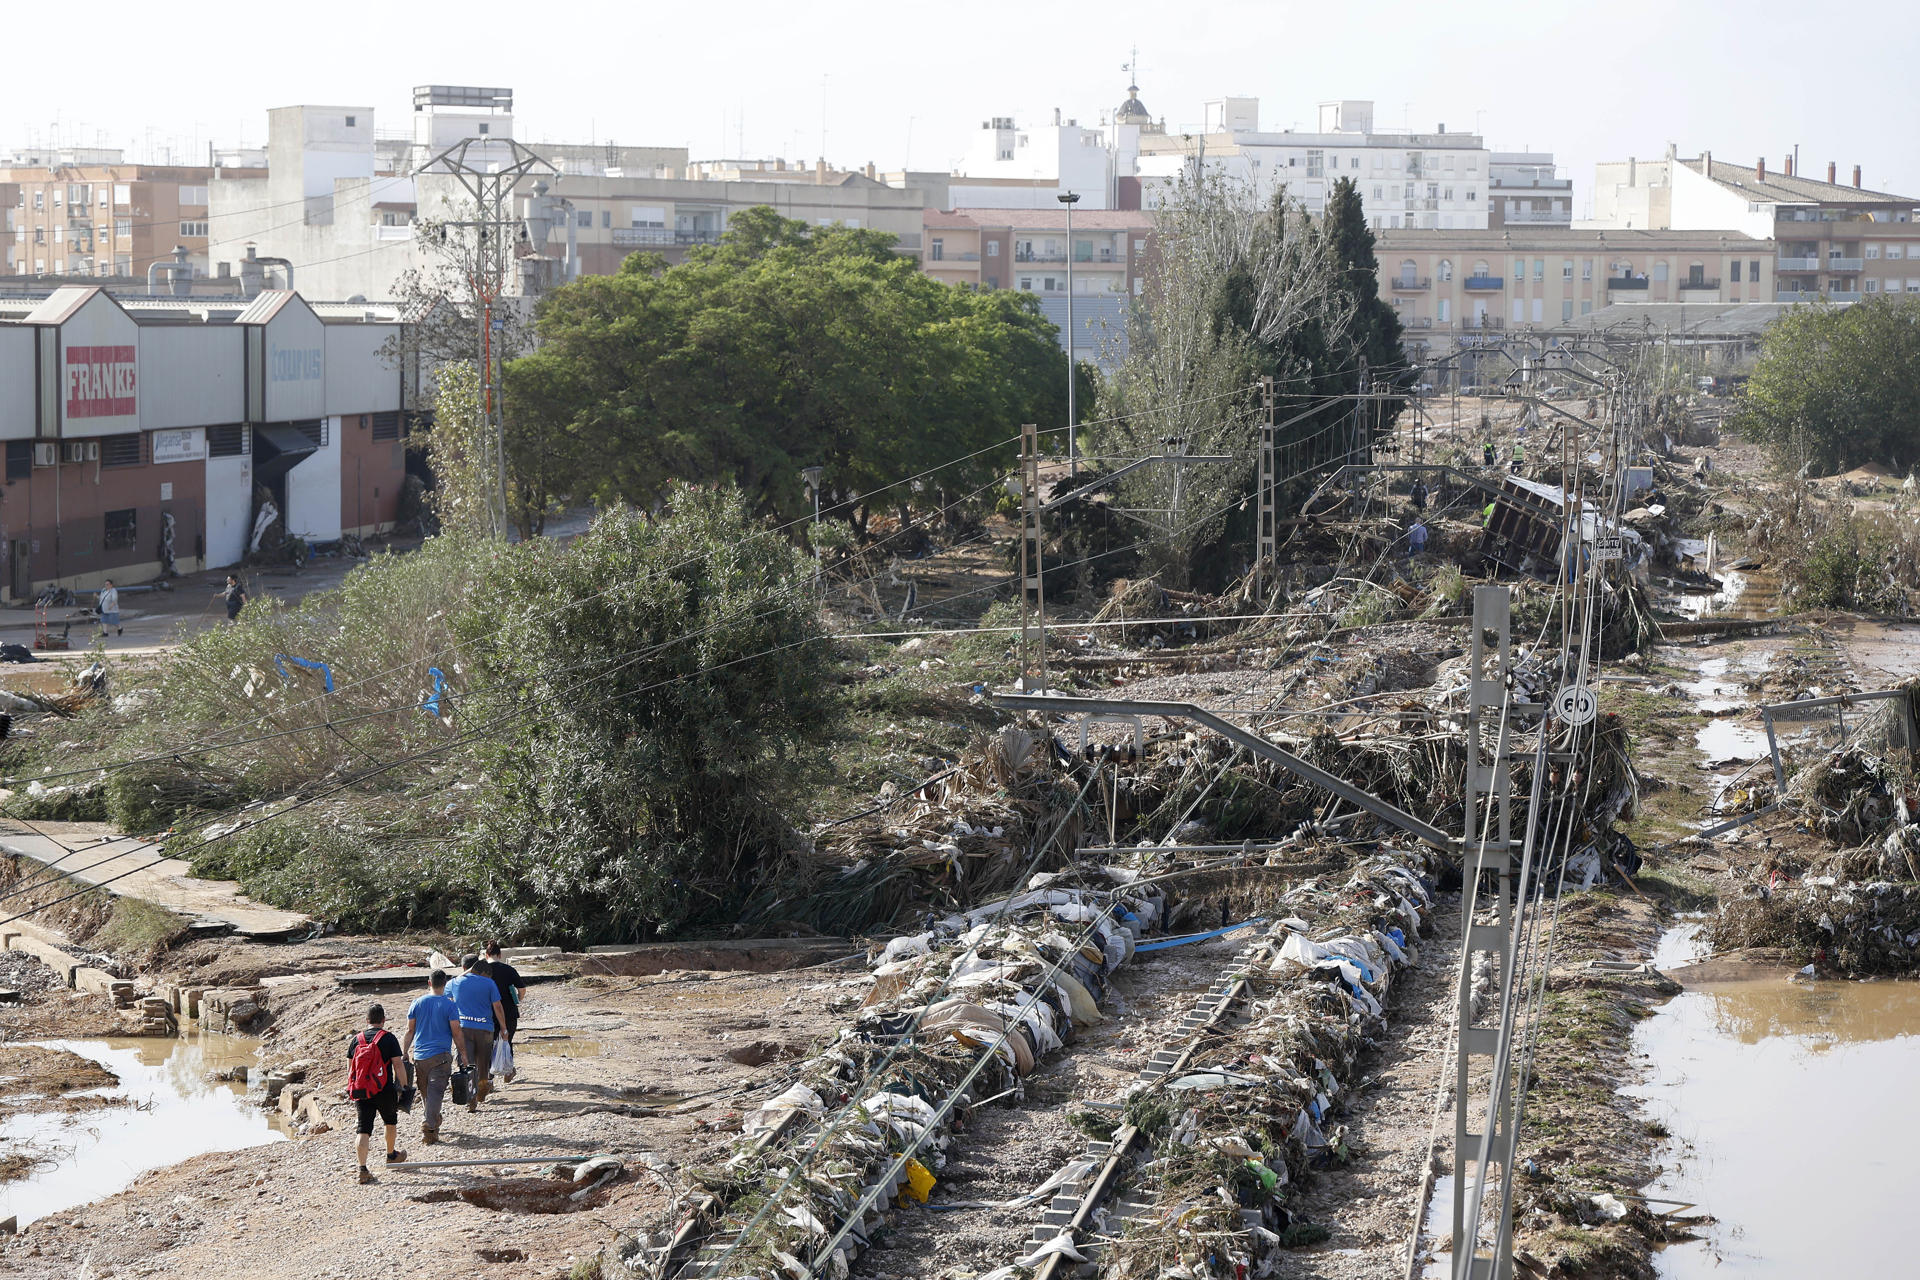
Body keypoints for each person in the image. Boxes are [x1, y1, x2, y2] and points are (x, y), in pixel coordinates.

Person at [403, 970, 467, 1145]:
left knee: (427, 1094)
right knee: (435, 1093)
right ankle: (429, 1125)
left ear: (429, 983)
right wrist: (463, 1053)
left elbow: (410, 1031)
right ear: (445, 984)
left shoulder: (417, 1003)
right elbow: (456, 1031)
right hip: (441, 1056)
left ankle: (433, 1122)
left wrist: (405, 1052)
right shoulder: (449, 1005)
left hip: (420, 1056)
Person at [347, 1003, 409, 1183]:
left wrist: (352, 1089)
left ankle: (362, 1169)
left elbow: (350, 1070)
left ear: (367, 1020)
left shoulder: (356, 1040)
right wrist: (404, 1087)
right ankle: (391, 1155)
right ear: (383, 1020)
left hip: (361, 1091)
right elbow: (398, 1065)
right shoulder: (388, 1038)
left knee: (363, 1129)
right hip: (384, 1089)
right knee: (390, 1122)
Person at [445, 954, 505, 1110]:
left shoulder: (454, 983)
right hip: (485, 1029)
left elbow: (445, 999)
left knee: (466, 1063)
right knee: (482, 1063)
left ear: (464, 968)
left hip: (463, 1029)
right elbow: (497, 1006)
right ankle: (481, 1093)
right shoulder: (489, 983)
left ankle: (471, 1099)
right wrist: (504, 1028)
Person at [482, 941, 524, 1047]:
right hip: (508, 1012)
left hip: (487, 1014)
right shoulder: (509, 969)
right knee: (507, 1044)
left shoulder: (481, 972)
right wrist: (518, 998)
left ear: (486, 955)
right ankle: (507, 1063)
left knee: (489, 1047)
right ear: (500, 955)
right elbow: (522, 988)